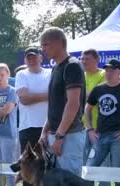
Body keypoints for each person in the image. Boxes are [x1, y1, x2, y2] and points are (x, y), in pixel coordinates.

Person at [39, 27, 86, 176]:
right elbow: (55, 105)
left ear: (59, 43)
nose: (43, 49)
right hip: (57, 134)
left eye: (46, 44)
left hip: (69, 136)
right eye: (42, 45)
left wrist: (59, 136)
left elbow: (73, 104)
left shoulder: (72, 66)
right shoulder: (56, 68)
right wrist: (45, 130)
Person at [15, 47, 50, 186]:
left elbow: (55, 96)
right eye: (28, 57)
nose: (31, 59)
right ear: (25, 60)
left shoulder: (49, 73)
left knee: (47, 166)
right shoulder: (22, 74)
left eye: (34, 57)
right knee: (27, 166)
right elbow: (24, 99)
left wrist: (34, 95)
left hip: (47, 126)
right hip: (27, 126)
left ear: (40, 57)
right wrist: (46, 95)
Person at [81, 48, 113, 186]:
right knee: (87, 168)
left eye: (87, 59)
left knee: (102, 167)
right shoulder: (82, 76)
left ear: (96, 60)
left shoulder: (103, 76)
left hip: (100, 130)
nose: (83, 61)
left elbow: (90, 98)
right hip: (85, 128)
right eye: (82, 58)